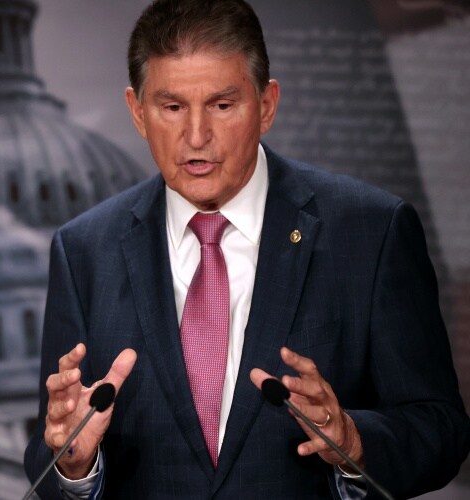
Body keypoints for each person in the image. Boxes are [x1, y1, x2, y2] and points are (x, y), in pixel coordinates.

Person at [24, 0, 470, 498]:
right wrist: (74, 462)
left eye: (221, 104)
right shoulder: (84, 250)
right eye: (172, 107)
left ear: (267, 105)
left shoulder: (371, 231)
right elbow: (50, 452)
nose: (196, 136)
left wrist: (356, 441)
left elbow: (440, 428)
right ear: (138, 112)